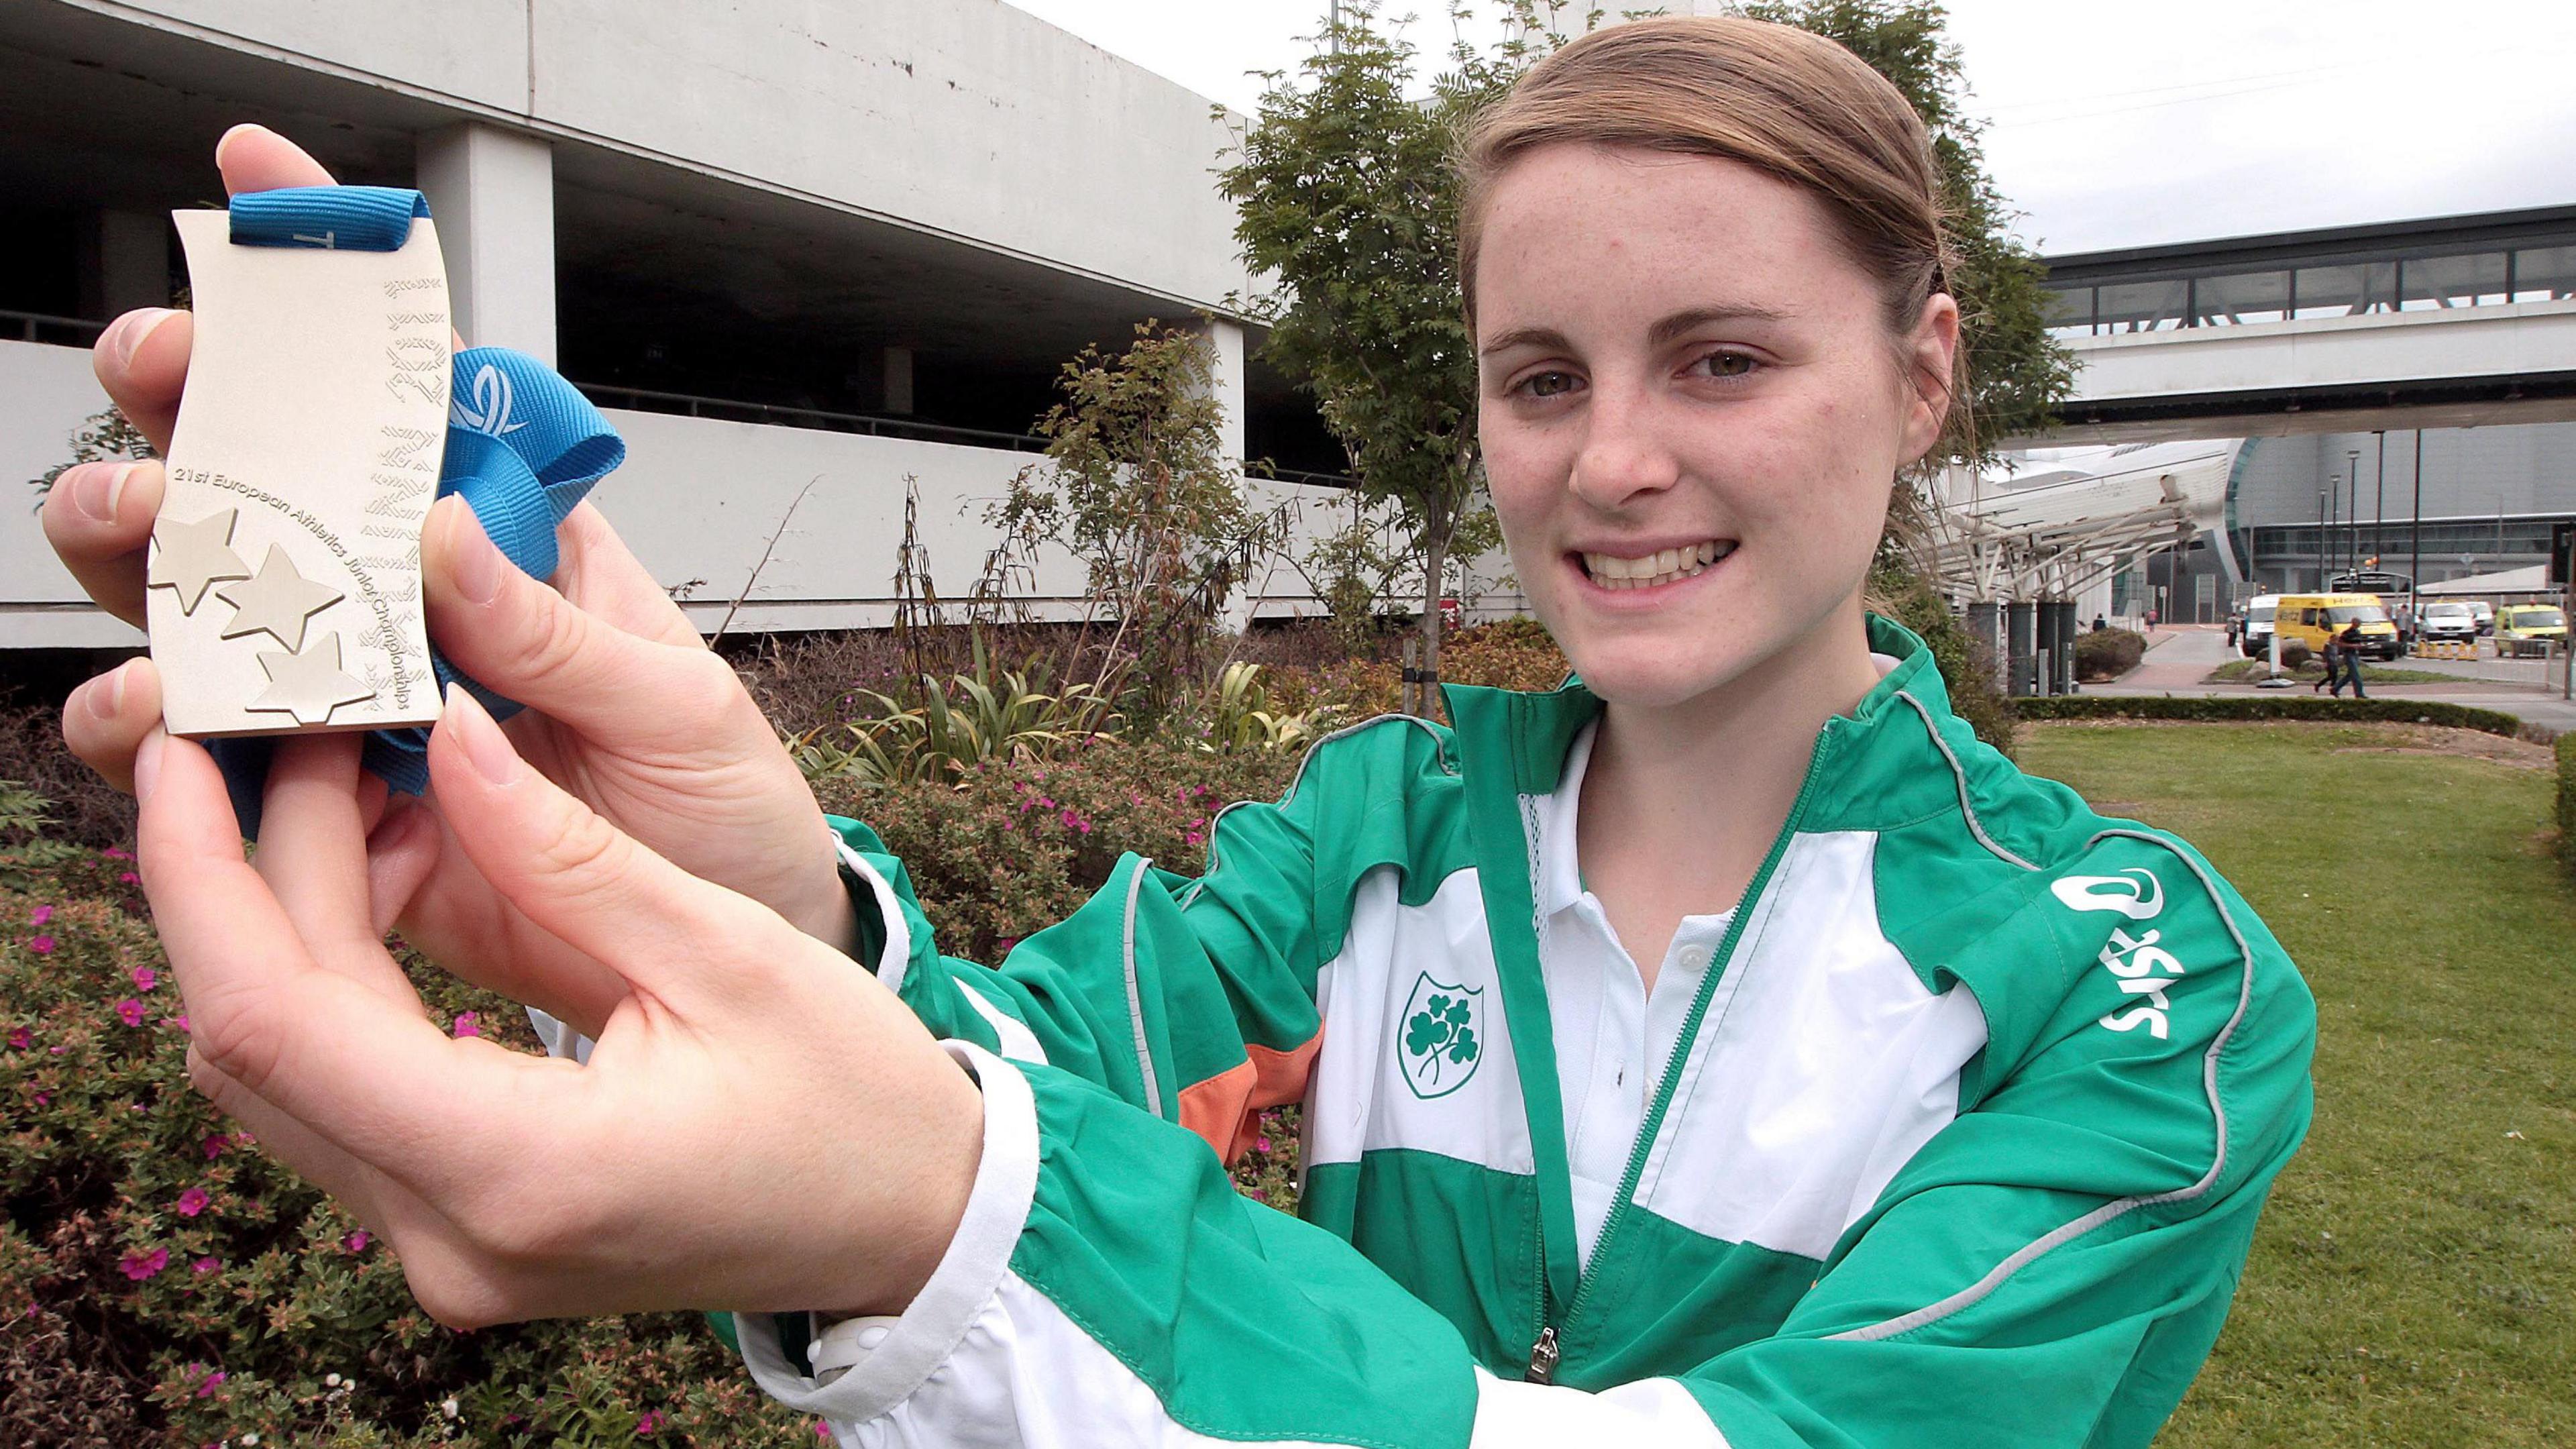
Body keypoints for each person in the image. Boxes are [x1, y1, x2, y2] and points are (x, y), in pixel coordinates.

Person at [50, 23, 2316, 1449]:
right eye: (1543, 379)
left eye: (1722, 359)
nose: (1611, 463)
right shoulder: (1372, 836)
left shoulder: (2136, 990)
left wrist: (936, 1215)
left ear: (1924, 374)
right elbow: (993, 1084)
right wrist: (765, 903)